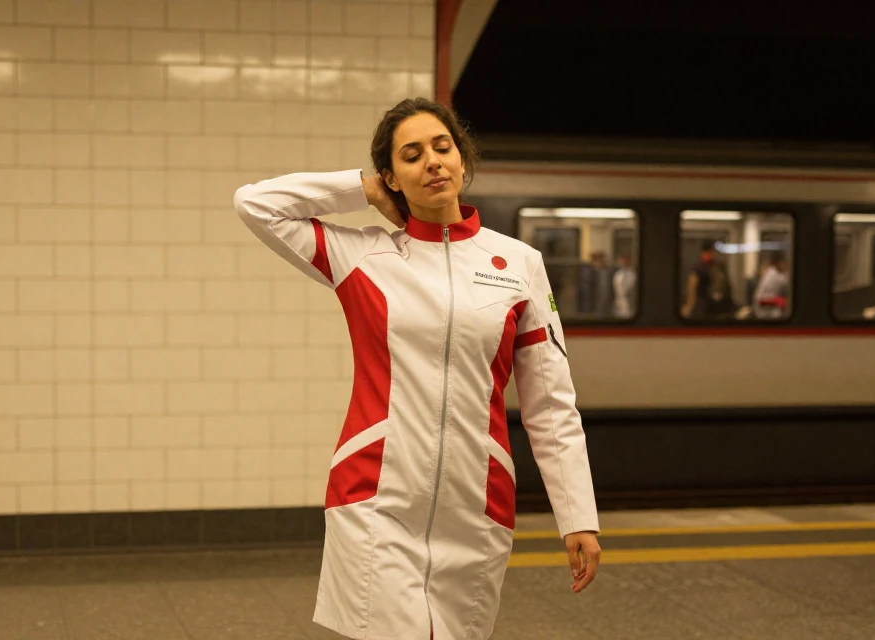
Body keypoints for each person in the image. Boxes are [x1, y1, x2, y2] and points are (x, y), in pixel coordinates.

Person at [234, 97, 601, 640]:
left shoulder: (520, 264)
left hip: (477, 506)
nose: (432, 161)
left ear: (461, 159)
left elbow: (550, 403)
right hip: (376, 497)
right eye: (411, 155)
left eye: (442, 147)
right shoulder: (361, 255)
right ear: (392, 178)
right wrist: (361, 189)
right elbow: (255, 204)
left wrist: (578, 516)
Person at [681, 240, 734, 319]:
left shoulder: (699, 266)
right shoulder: (717, 265)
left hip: (704, 306)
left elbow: (691, 286)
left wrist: (689, 305)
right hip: (717, 305)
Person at [577, 251, 614, 318]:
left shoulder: (607, 272)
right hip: (592, 307)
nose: (600, 262)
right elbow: (586, 292)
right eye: (598, 260)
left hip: (605, 307)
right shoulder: (588, 273)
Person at [752, 254, 789, 319]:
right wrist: (778, 301)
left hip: (772, 311)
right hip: (765, 313)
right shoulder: (772, 274)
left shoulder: (778, 274)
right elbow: (761, 298)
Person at [612, 253, 637, 319]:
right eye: (621, 260)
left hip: (631, 305)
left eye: (625, 260)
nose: (622, 262)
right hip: (619, 304)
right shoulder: (618, 274)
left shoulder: (634, 274)